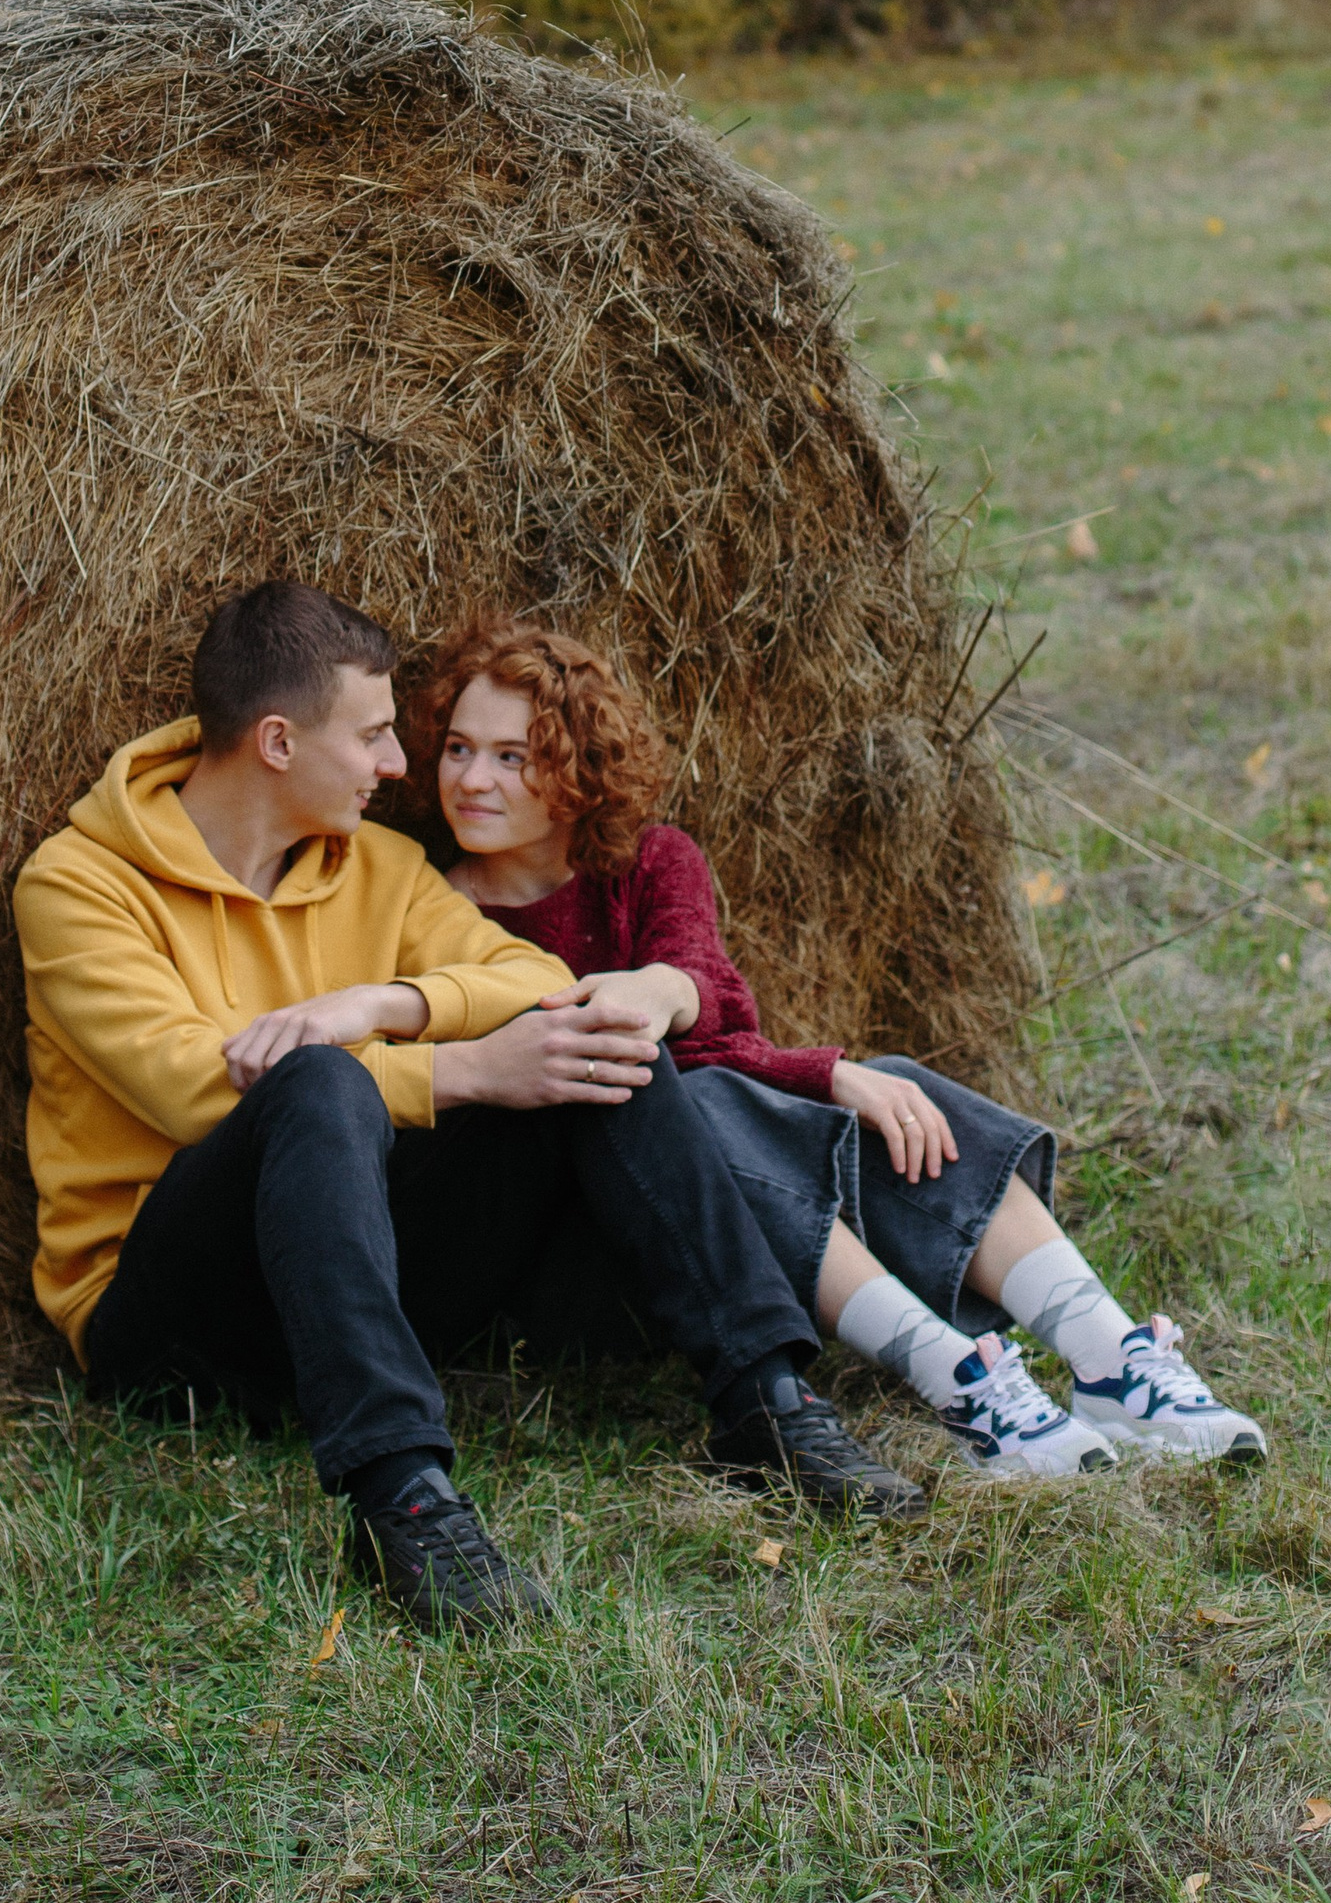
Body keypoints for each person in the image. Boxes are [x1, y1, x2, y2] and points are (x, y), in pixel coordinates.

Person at [13, 580, 926, 1635]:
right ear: (275, 741)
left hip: (363, 1276)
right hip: (174, 1322)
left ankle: (765, 1399)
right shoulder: (79, 885)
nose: (401, 766)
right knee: (317, 1081)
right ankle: (402, 1494)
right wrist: (461, 1070)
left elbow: (528, 974)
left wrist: (389, 1000)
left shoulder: (382, 869)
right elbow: (188, 1088)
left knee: (586, 1031)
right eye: (371, 736)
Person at [401, 616, 1268, 1482]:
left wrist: (683, 994)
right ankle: (958, 1377)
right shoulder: (426, 909)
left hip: (713, 1210)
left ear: (577, 766)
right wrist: (822, 1070)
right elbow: (663, 1085)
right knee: (691, 1096)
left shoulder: (653, 862)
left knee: (891, 1087)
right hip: (594, 1259)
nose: (474, 779)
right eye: (459, 749)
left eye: (513, 756)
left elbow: (716, 1012)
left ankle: (1111, 1354)